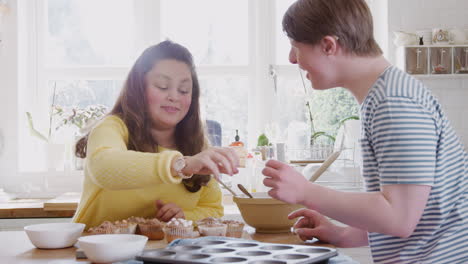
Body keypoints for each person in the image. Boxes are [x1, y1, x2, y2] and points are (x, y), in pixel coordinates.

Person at [262, 0, 468, 263]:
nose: (292, 59)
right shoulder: (386, 95)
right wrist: (345, 234)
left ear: (328, 46)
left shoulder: (393, 102)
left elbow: (400, 218)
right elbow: (418, 211)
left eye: (295, 46)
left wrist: (306, 192)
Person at [73, 40, 239, 229]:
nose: (174, 97)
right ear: (138, 88)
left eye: (184, 90)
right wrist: (181, 165)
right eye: (162, 86)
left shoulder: (196, 146)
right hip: (96, 253)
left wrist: (185, 216)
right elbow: (104, 167)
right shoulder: (112, 128)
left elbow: (213, 210)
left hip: (162, 253)